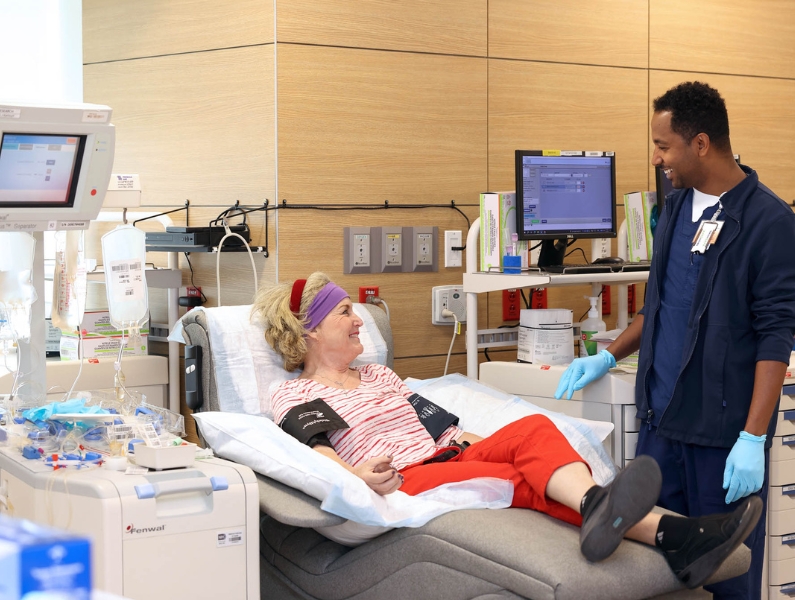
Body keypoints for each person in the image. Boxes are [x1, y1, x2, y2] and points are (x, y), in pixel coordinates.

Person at [254, 271, 763, 589]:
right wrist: (358, 476)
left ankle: (626, 518)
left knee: (534, 434)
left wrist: (504, 450)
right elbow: (312, 456)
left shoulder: (382, 376)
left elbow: (448, 431)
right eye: (346, 312)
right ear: (310, 329)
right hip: (407, 478)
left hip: (448, 458)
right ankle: (675, 532)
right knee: (526, 475)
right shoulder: (296, 395)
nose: (359, 321)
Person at [555, 81, 795, 599]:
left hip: (721, 438)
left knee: (728, 574)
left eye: (664, 146)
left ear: (701, 144)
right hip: (660, 428)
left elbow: (776, 335)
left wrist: (753, 438)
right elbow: (658, 305)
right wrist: (609, 354)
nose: (657, 157)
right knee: (653, 574)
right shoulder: (676, 209)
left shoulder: (769, 223)